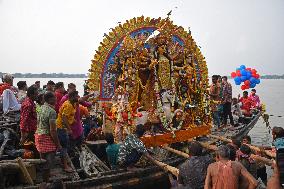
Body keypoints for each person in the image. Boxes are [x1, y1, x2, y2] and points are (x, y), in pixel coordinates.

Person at [35, 92, 62, 182]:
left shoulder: (41, 107)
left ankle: (46, 177)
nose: (56, 99)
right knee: (47, 163)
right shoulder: (52, 112)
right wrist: (58, 144)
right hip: (46, 137)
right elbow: (53, 131)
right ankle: (45, 182)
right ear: (50, 99)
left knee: (43, 160)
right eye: (55, 98)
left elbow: (38, 123)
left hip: (38, 135)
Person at [56, 90, 79, 172]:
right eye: (76, 96)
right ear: (72, 97)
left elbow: (68, 116)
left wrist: (74, 120)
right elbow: (64, 117)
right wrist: (69, 129)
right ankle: (65, 166)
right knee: (64, 147)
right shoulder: (68, 105)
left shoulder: (71, 103)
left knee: (63, 146)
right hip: (61, 128)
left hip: (62, 127)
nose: (78, 97)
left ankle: (64, 162)